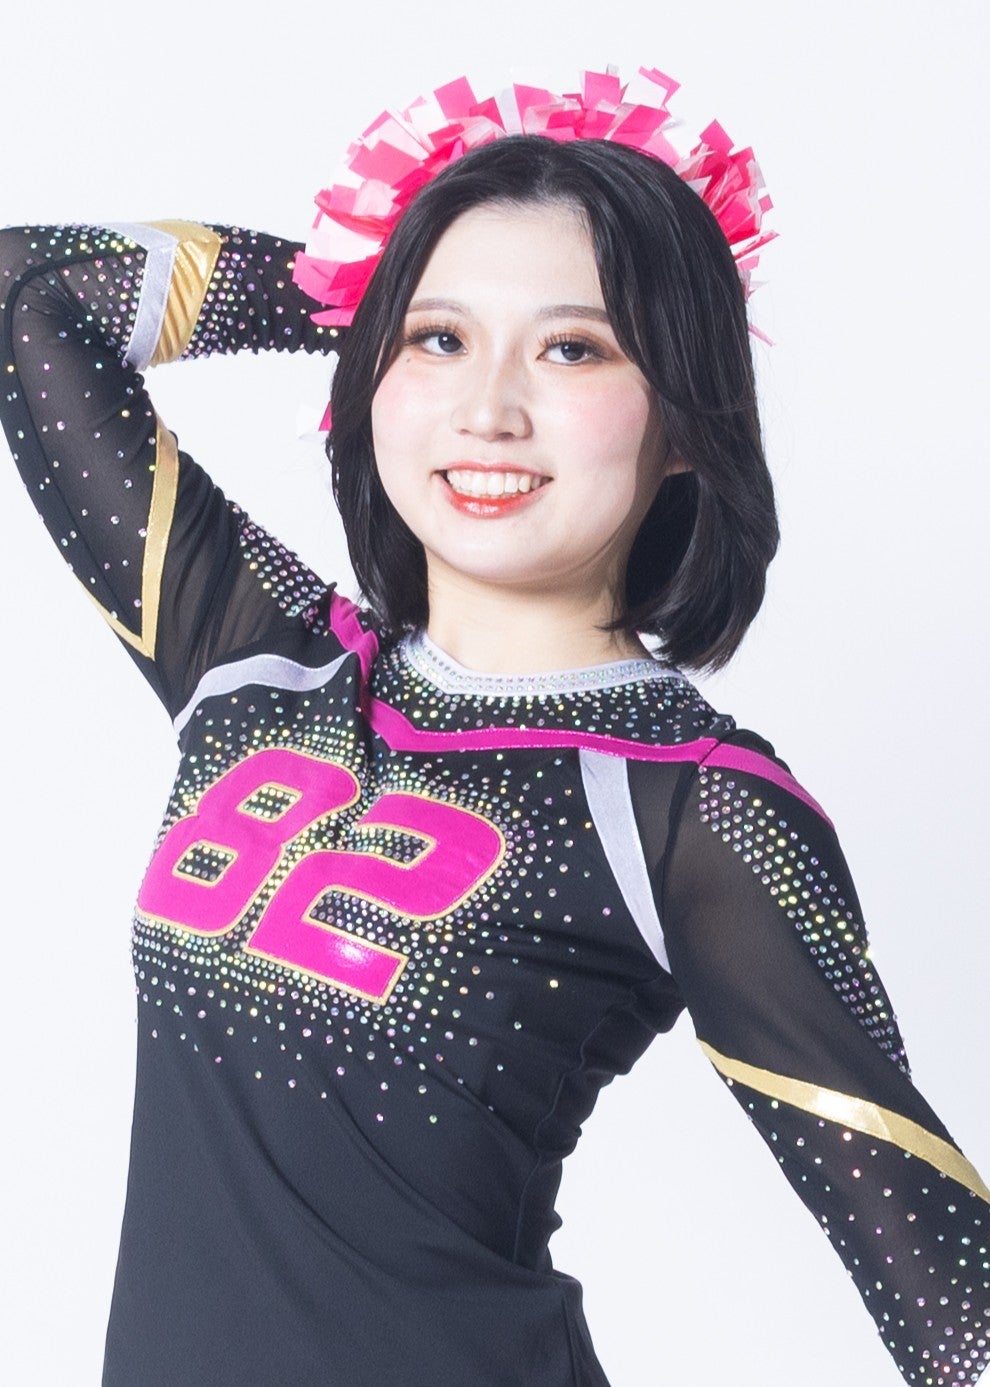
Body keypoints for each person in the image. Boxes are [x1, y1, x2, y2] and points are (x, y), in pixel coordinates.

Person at [0, 67, 987, 1387]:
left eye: (574, 349)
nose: (488, 409)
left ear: (682, 419)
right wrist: (360, 294)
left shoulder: (689, 804)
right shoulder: (259, 662)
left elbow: (953, 1303)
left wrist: (429, 312)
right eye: (441, 342)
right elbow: (27, 293)